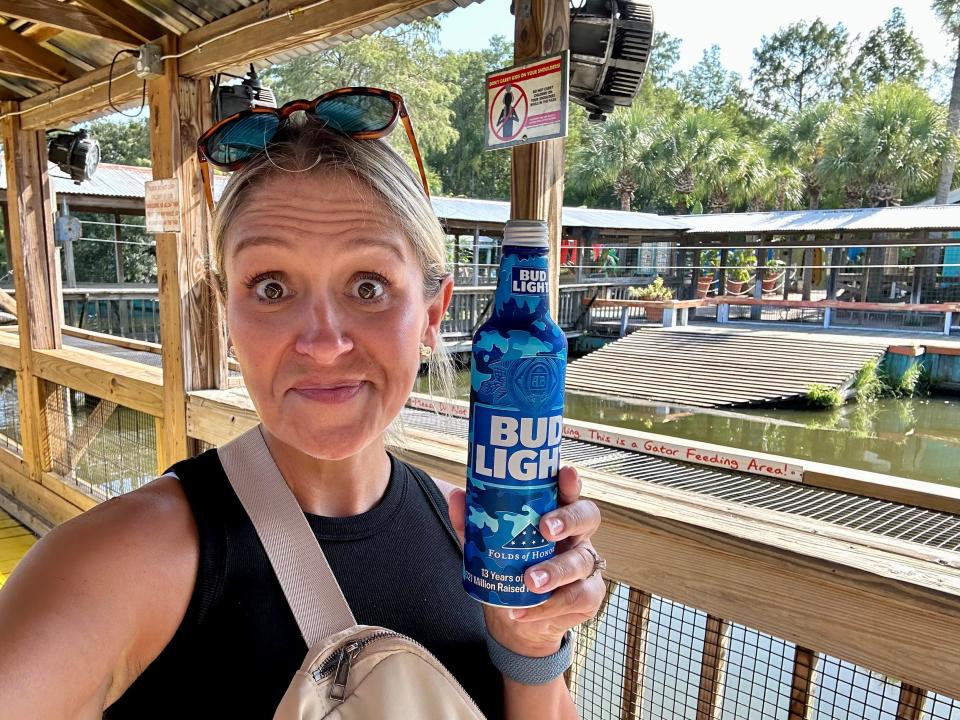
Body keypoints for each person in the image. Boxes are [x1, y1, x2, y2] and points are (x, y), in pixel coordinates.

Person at [0, 90, 605, 719]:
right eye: (271, 287)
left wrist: (529, 645)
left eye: (368, 286)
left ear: (432, 313)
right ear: (225, 310)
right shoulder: (115, 565)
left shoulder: (476, 542)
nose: (323, 343)